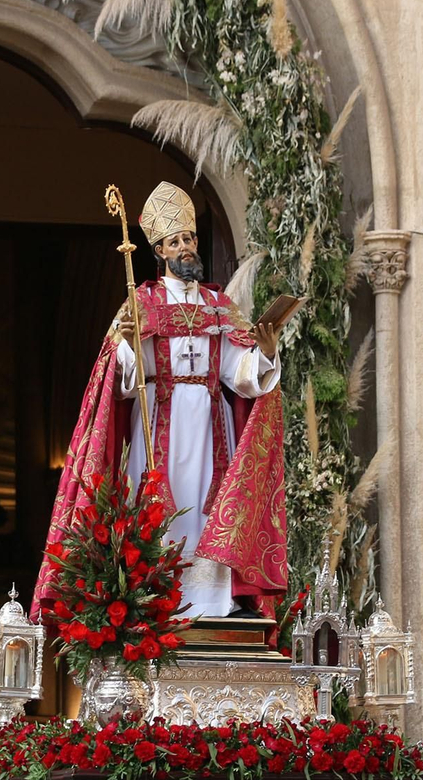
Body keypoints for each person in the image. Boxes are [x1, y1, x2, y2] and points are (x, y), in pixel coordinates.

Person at [33, 180, 287, 622]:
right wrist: (128, 345)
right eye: (175, 242)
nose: (185, 247)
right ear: (159, 251)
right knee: (157, 506)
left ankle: (212, 602)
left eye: (189, 238)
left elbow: (239, 375)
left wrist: (263, 354)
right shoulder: (142, 302)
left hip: (211, 426)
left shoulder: (219, 306)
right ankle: (156, 597)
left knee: (207, 506)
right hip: (158, 419)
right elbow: (120, 382)